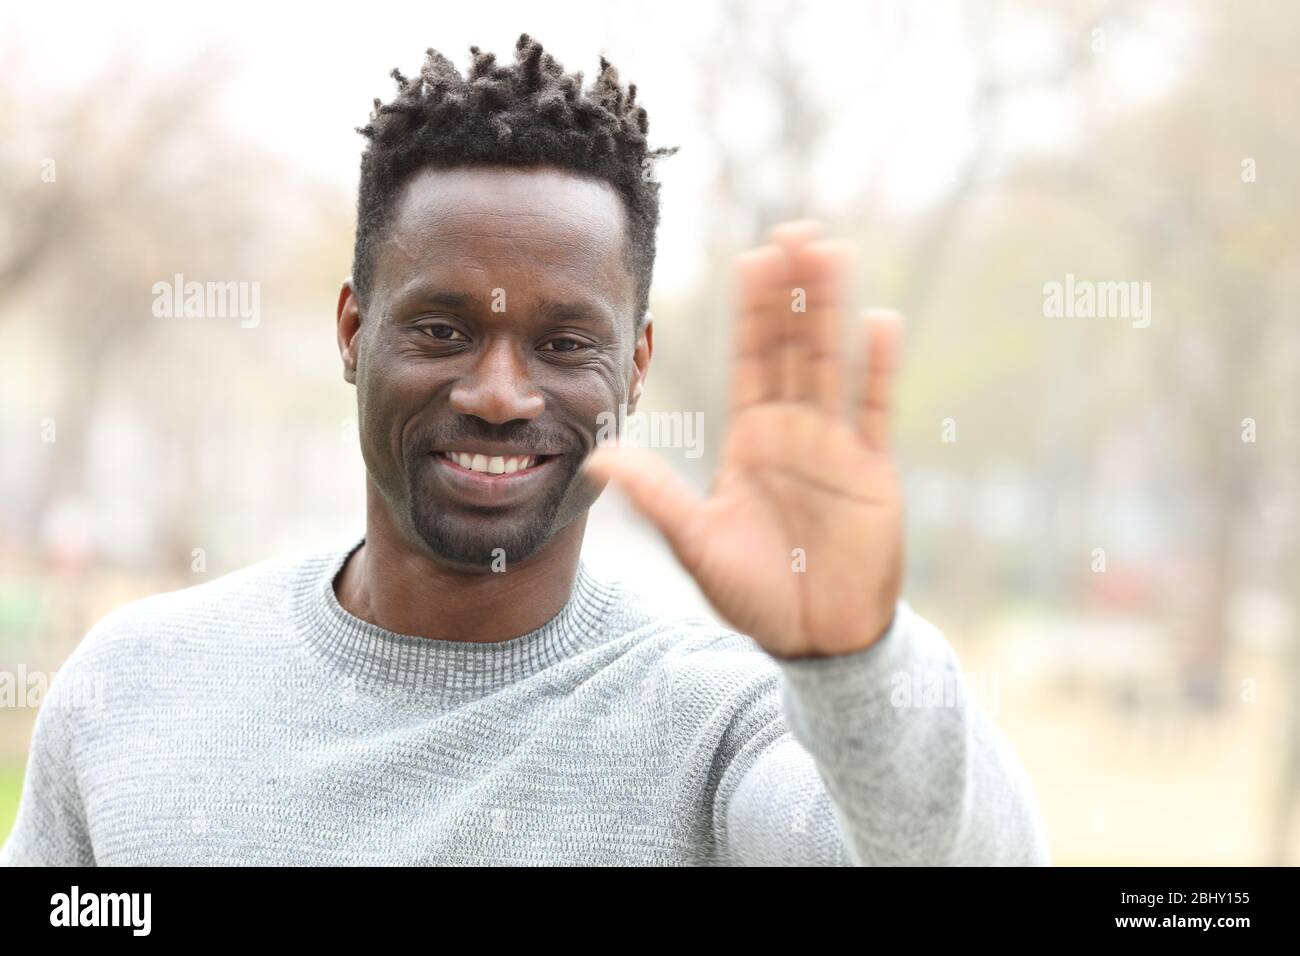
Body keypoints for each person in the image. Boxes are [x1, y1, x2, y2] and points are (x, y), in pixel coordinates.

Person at [0, 34, 1049, 866]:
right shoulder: (133, 688)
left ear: (635, 366)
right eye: (443, 329)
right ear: (353, 332)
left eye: (562, 343)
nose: (499, 394)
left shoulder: (720, 719)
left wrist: (856, 662)